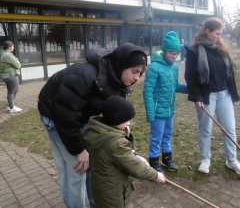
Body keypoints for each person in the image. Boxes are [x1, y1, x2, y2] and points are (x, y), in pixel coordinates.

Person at [38, 43, 148, 208]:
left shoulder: (119, 81)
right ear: (122, 65)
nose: (137, 78)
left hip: (79, 115)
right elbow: (65, 116)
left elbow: (114, 112)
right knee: (77, 169)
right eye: (134, 72)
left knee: (91, 162)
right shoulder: (85, 76)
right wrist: (79, 149)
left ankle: (95, 202)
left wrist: (125, 137)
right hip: (55, 115)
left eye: (140, 73)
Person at [185, 17, 240, 176]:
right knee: (206, 128)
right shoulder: (194, 51)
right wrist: (197, 97)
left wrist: (233, 94)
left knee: (230, 129)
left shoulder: (221, 49)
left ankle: (231, 160)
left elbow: (230, 74)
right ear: (207, 31)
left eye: (221, 34)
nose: (219, 36)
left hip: (224, 94)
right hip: (207, 96)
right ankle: (206, 159)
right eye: (217, 33)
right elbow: (190, 77)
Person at [83, 96, 167, 208]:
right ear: (115, 120)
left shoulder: (99, 130)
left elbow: (121, 155)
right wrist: (155, 175)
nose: (129, 123)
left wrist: (124, 135)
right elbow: (134, 166)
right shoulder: (115, 143)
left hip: (101, 184)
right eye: (126, 120)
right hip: (112, 190)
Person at [143, 31, 187, 172]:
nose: (174, 56)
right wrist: (150, 113)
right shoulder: (154, 67)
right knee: (157, 137)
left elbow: (174, 86)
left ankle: (167, 159)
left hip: (169, 110)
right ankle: (154, 161)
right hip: (157, 111)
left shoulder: (174, 67)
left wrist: (189, 89)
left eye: (176, 54)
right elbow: (147, 91)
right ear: (164, 51)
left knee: (167, 135)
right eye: (171, 53)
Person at [0, 40, 22, 113]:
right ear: (9, 47)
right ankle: (12, 107)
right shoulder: (8, 55)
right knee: (12, 91)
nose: (13, 47)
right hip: (10, 76)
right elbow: (18, 65)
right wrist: (17, 61)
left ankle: (11, 105)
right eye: (13, 46)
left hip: (7, 76)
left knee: (13, 90)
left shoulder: (5, 54)